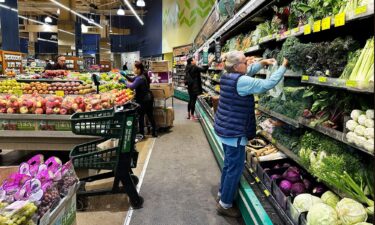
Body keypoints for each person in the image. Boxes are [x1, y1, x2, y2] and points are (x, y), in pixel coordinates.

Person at [214, 50, 288, 217]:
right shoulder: (242, 81)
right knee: (235, 168)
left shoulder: (227, 74)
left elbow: (247, 71)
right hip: (235, 132)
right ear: (237, 66)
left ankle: (221, 194)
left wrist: (262, 63)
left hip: (225, 129)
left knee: (228, 165)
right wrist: (283, 66)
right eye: (245, 62)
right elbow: (267, 84)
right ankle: (225, 205)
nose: (247, 64)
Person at [125, 61, 157, 138]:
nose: (133, 69)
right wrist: (124, 75)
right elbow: (132, 79)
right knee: (150, 115)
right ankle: (154, 132)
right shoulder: (141, 75)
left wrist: (124, 82)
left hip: (144, 100)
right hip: (149, 98)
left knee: (141, 116)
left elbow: (132, 86)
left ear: (138, 69)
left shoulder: (140, 78)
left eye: (134, 68)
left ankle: (142, 133)